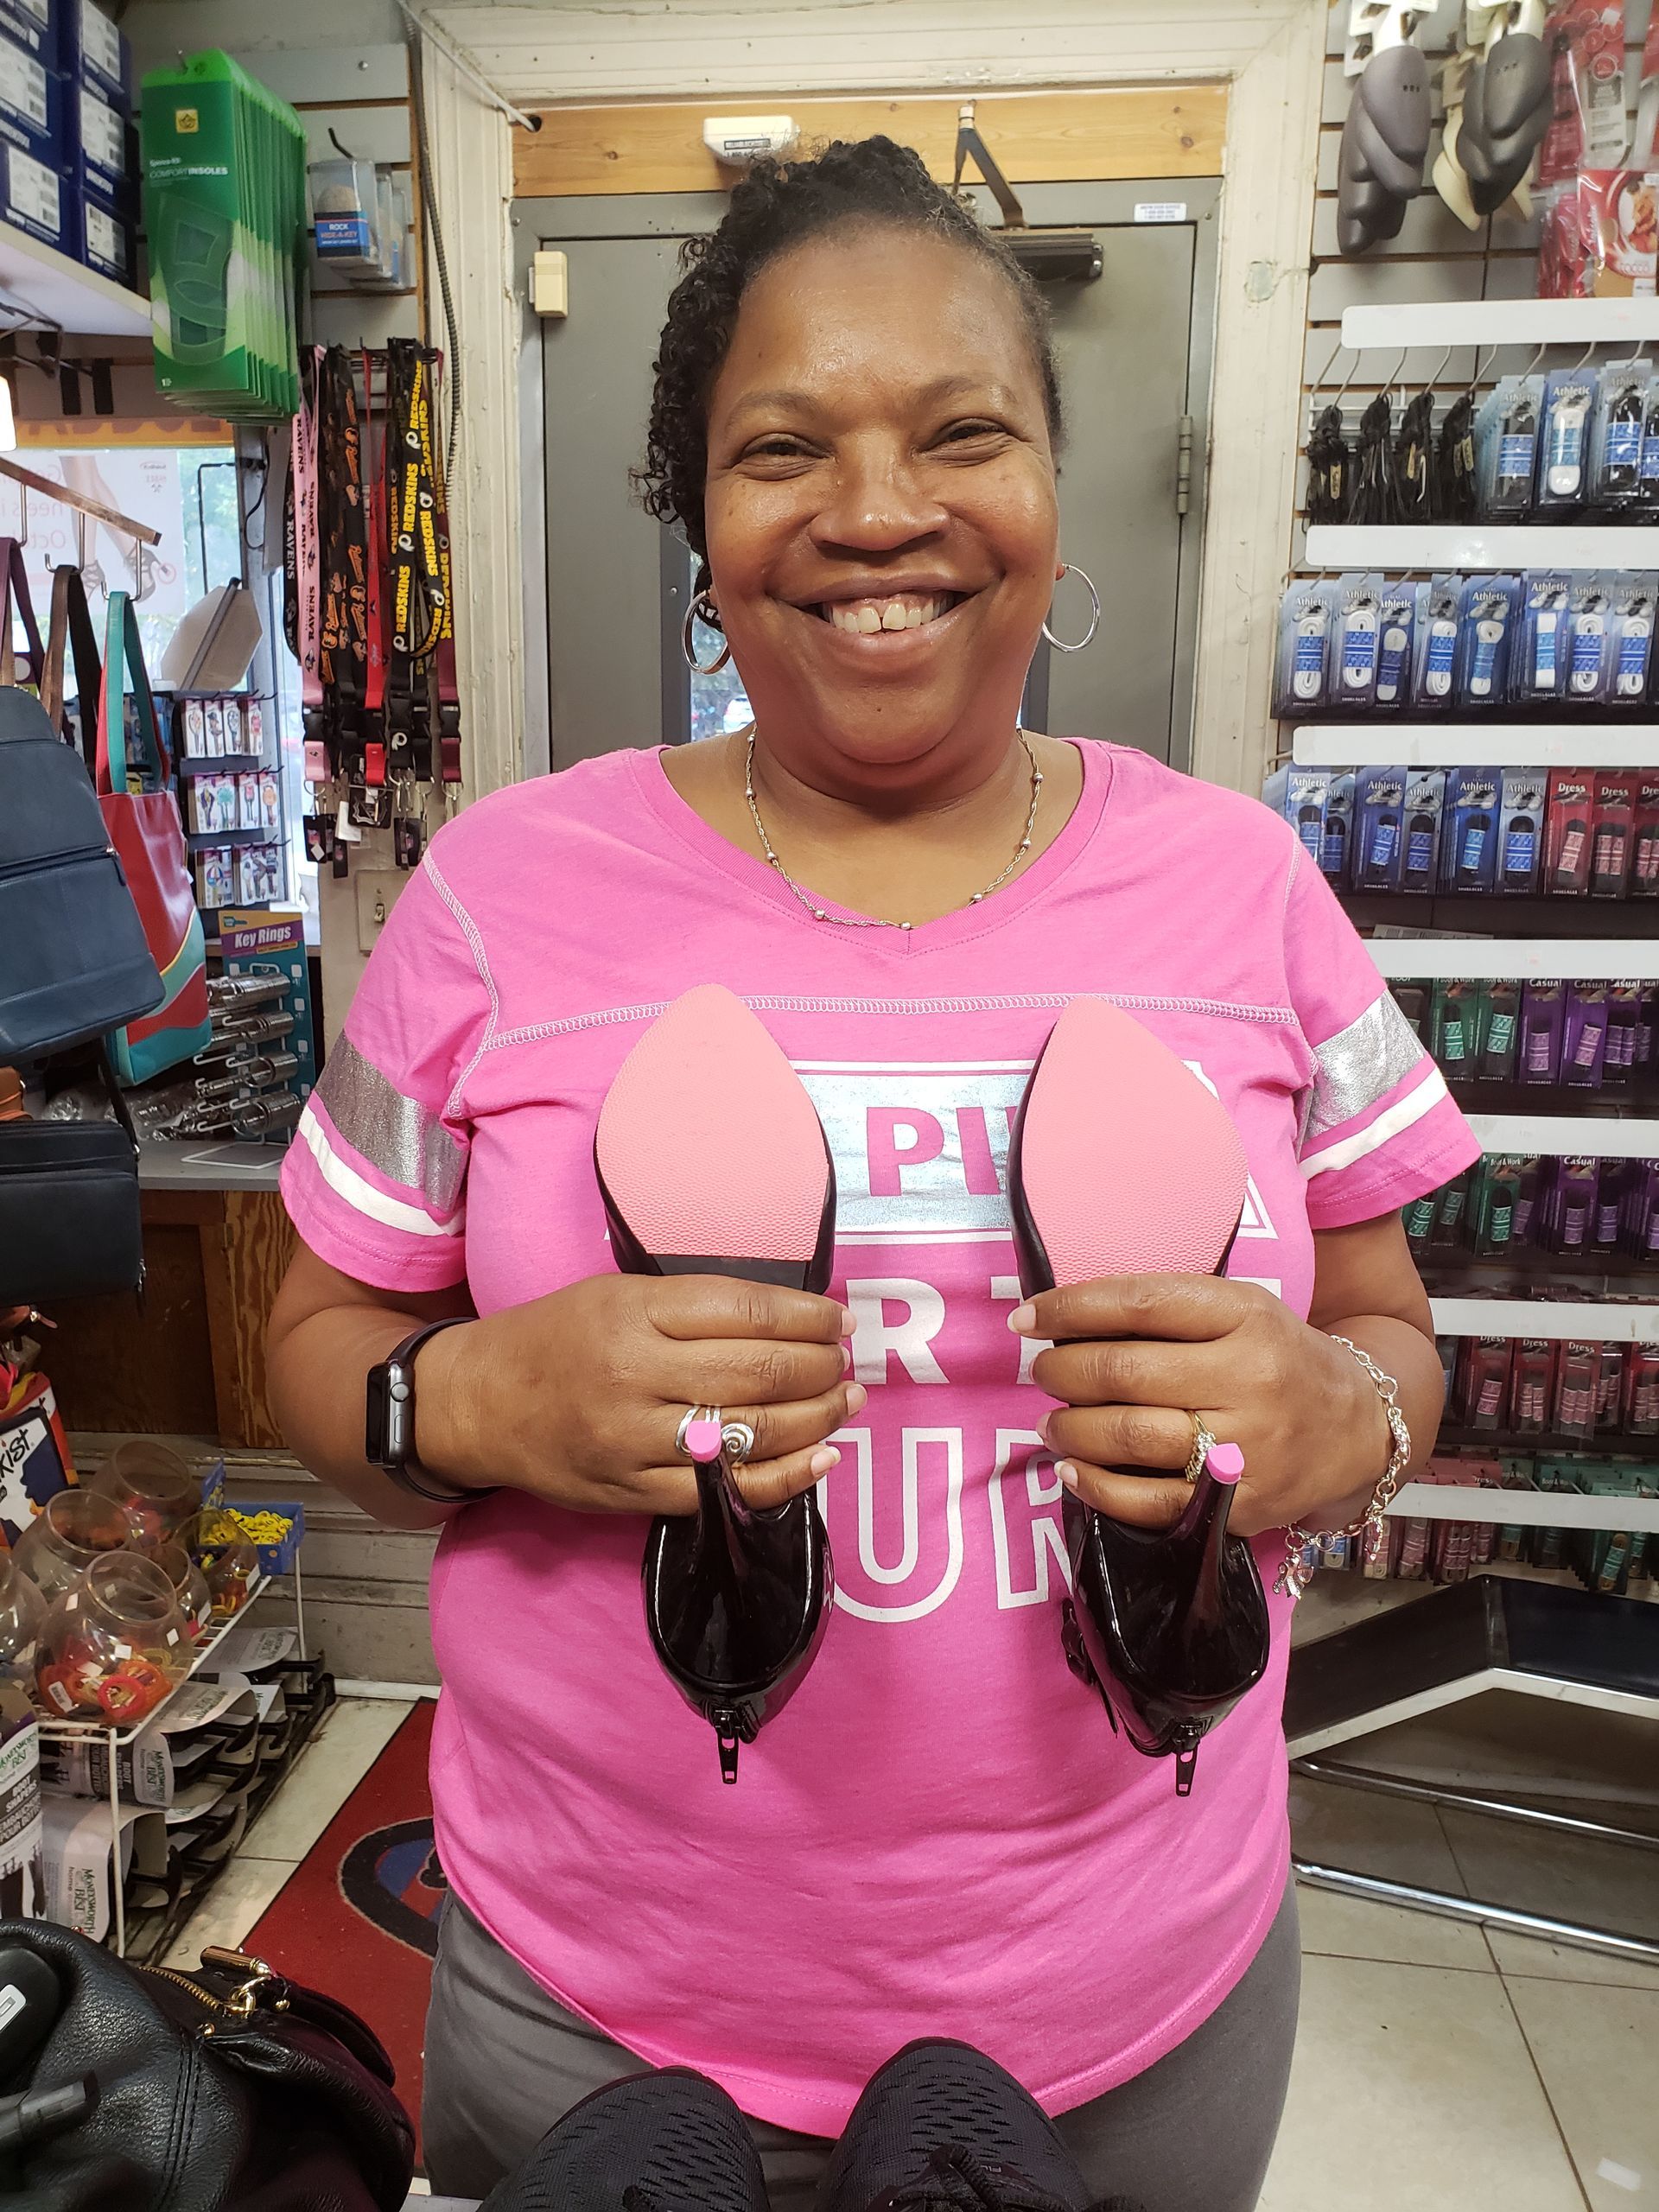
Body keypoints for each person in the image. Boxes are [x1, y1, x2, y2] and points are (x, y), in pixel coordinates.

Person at [268, 137, 1478, 2212]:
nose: (878, 510)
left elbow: (1392, 1341)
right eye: (782, 446)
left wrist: (1340, 1412)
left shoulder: (1246, 890)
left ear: (1053, 490)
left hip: (1137, 2002)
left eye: (961, 432)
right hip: (599, 2011)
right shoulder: (495, 896)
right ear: (701, 513)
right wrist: (472, 1399)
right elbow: (313, 1351)